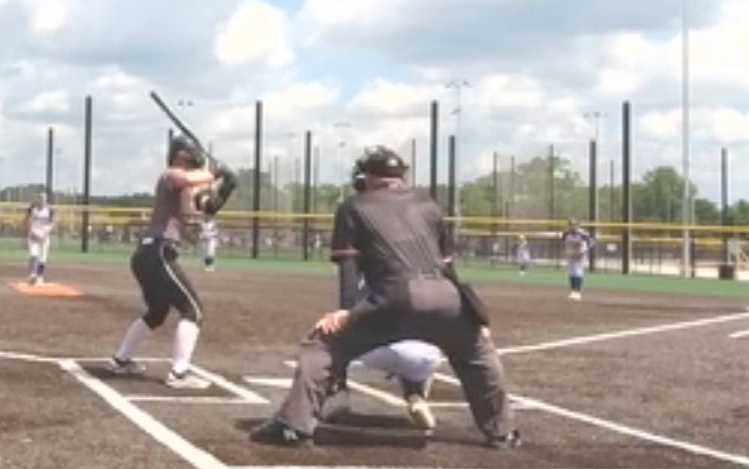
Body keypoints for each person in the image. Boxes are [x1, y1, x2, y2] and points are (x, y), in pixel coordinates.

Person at [253, 145, 518, 448]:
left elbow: (349, 267)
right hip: (446, 296)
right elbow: (448, 268)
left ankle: (293, 426)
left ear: (367, 178)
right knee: (478, 355)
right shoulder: (429, 203)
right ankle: (503, 432)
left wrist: (346, 311)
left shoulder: (353, 207)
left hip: (395, 297)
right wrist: (477, 317)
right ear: (401, 177)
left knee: (322, 346)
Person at [105, 136, 235, 390]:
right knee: (193, 311)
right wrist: (217, 173)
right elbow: (188, 179)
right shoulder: (170, 176)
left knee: (157, 312)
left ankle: (121, 360)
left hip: (149, 254)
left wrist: (226, 187)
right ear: (180, 154)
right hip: (159, 252)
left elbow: (209, 207)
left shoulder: (187, 188)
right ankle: (179, 373)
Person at [24, 192, 56, 285]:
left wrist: (46, 232)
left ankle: (40, 275)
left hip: (44, 235)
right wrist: (30, 232)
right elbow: (28, 221)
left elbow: (53, 223)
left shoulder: (49, 210)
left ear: (46, 200)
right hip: (34, 234)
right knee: (33, 253)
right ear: (37, 199)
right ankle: (32, 274)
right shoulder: (33, 209)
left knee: (43, 256)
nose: (42, 200)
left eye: (44, 198)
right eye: (40, 198)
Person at [561, 220, 598, 301]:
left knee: (578, 271)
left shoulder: (583, 234)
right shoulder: (566, 233)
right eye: (570, 225)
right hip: (571, 253)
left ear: (578, 225)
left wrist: (583, 251)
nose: (572, 226)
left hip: (580, 254)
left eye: (574, 225)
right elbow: (564, 241)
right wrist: (567, 251)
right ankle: (573, 291)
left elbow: (592, 242)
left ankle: (577, 292)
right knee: (571, 272)